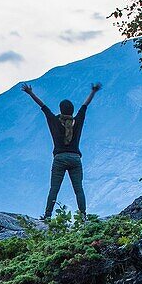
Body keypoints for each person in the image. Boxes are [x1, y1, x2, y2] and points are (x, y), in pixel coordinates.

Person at [22, 80, 102, 218]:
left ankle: (47, 216)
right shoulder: (77, 121)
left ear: (60, 110)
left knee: (54, 189)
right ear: (72, 110)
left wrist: (30, 93)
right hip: (75, 159)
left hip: (59, 159)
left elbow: (43, 106)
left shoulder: (53, 120)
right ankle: (83, 215)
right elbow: (85, 105)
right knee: (78, 189)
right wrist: (93, 91)